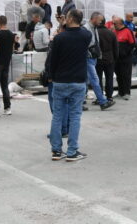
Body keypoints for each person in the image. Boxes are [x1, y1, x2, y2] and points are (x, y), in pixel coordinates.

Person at [48, 9, 92, 161]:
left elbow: (53, 60)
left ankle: (56, 150)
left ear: (70, 18)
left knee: (57, 116)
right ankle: (72, 151)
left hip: (60, 80)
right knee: (75, 117)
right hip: (78, 80)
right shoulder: (86, 35)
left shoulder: (59, 38)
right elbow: (83, 30)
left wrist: (51, 77)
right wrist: (66, 23)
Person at [84, 13, 115, 110]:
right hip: (89, 58)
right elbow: (85, 44)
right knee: (94, 79)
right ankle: (102, 101)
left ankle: (79, 103)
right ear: (94, 19)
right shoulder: (86, 29)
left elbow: (95, 42)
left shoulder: (94, 28)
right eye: (100, 20)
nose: (101, 22)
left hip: (93, 57)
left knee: (85, 80)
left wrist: (98, 54)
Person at [95, 16, 118, 103]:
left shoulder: (95, 33)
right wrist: (115, 58)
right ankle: (109, 96)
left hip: (98, 59)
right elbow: (116, 48)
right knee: (109, 78)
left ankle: (100, 97)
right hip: (110, 59)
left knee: (98, 79)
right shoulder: (111, 33)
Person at [113, 17, 136, 100]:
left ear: (120, 23)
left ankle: (126, 92)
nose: (113, 25)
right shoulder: (114, 31)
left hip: (126, 58)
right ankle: (120, 92)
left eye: (115, 23)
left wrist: (126, 53)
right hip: (116, 58)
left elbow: (132, 43)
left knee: (126, 75)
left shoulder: (127, 31)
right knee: (119, 76)